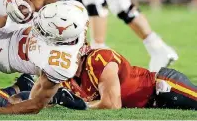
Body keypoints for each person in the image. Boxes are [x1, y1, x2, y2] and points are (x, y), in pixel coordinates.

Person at [61, 45, 197, 110]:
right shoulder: (64, 78)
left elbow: (112, 104)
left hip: (162, 88)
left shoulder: (98, 59)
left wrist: (79, 105)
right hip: (152, 106)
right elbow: (42, 98)